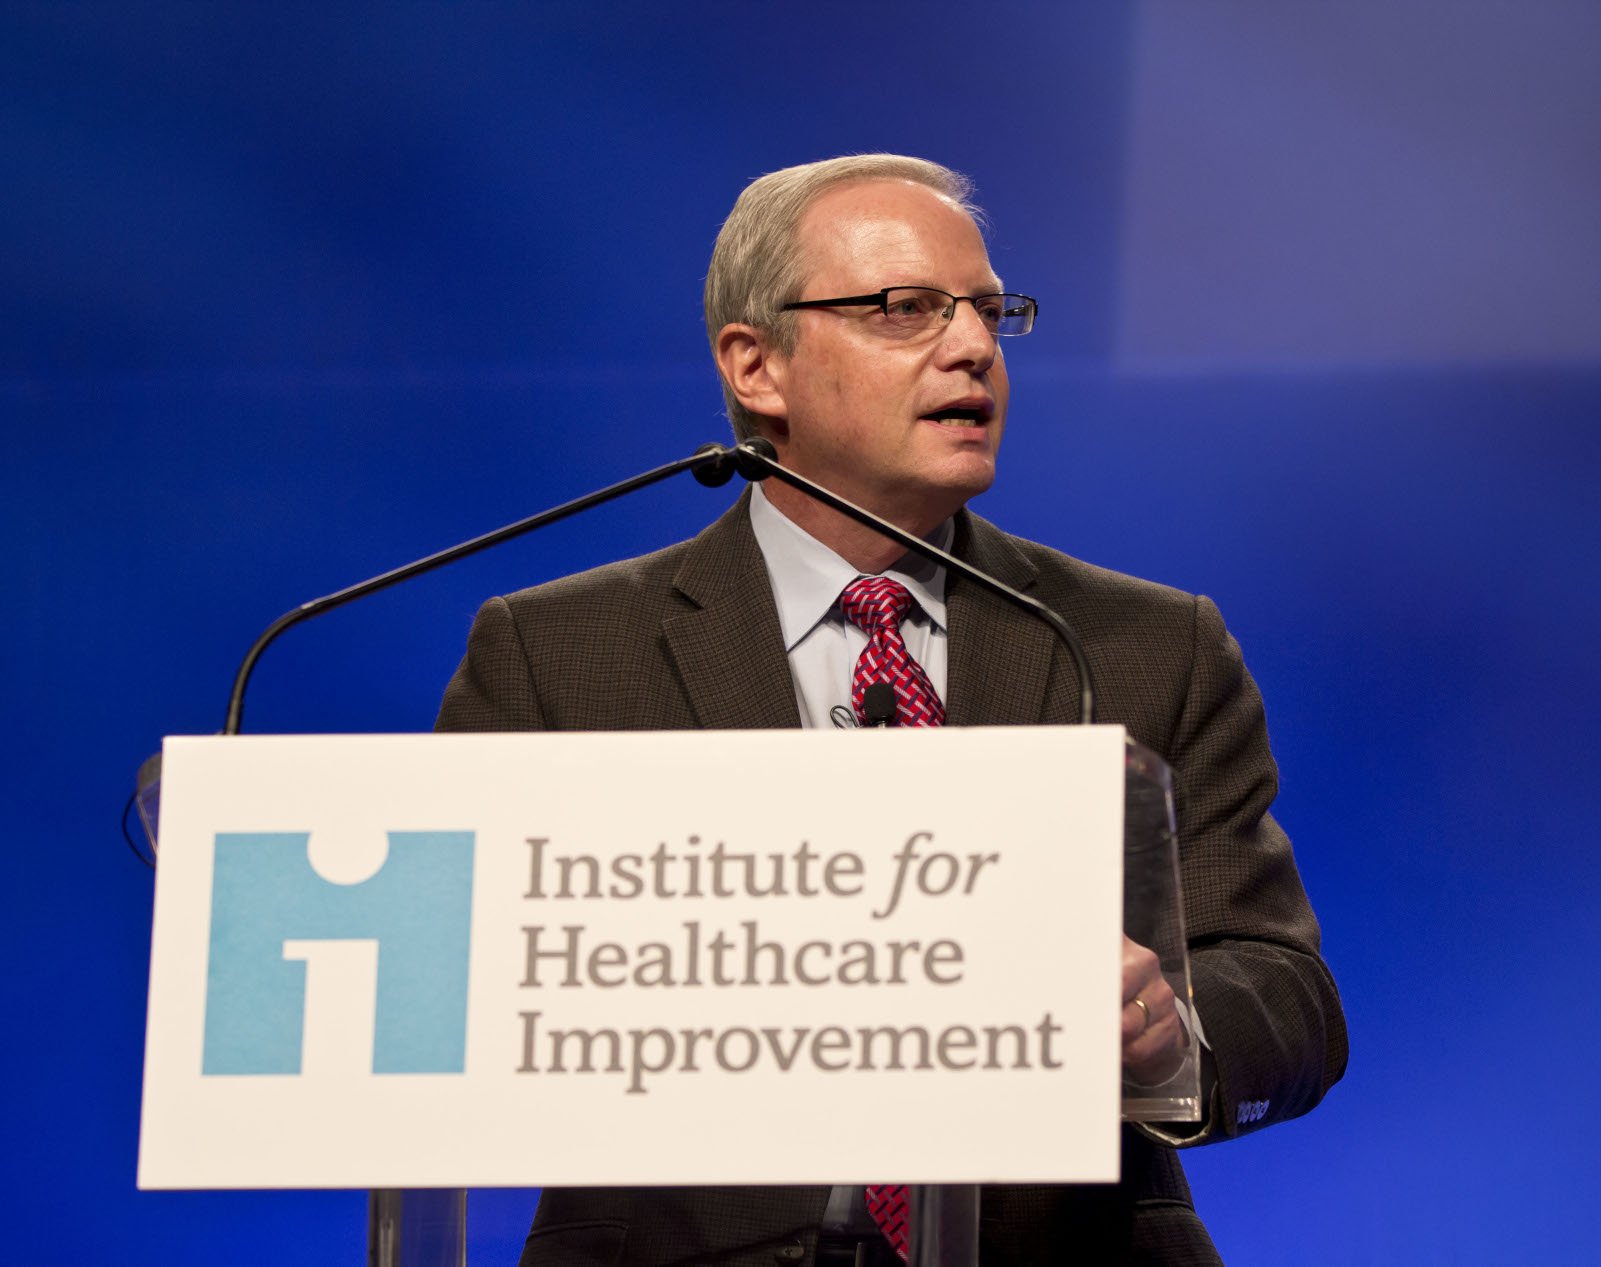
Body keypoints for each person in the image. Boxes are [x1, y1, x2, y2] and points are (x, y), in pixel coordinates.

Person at [438, 154, 1347, 1267]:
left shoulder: (1142, 644)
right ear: (756, 365)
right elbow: (455, 996)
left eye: (987, 312)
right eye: (904, 309)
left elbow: (1289, 994)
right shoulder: (560, 655)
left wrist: (1166, 1031)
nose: (971, 348)